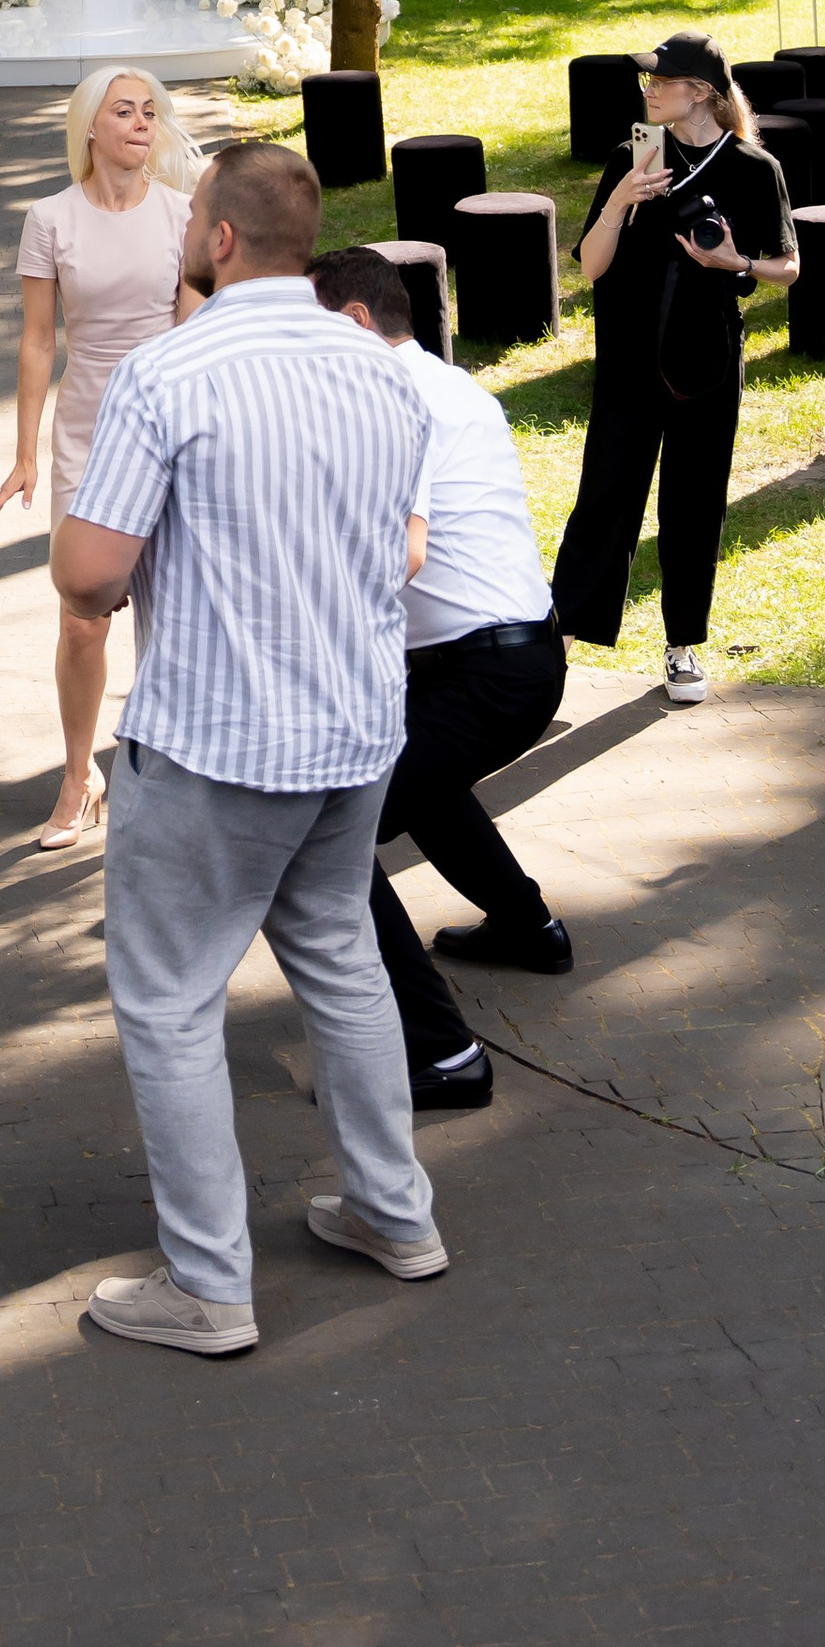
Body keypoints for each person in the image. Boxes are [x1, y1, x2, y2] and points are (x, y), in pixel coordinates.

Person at [52, 140, 448, 1359]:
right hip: (354, 726)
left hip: (216, 738)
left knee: (170, 1004)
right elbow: (399, 544)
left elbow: (88, 571)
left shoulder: (167, 372)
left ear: (218, 240)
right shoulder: (388, 372)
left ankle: (210, 1284)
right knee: (340, 958)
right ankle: (396, 1213)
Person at [311, 249, 569, 1096]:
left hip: (485, 669)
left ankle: (440, 1053)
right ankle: (528, 927)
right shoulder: (451, 383)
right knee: (421, 785)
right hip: (512, 655)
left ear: (353, 324)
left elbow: (398, 558)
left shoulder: (392, 398)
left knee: (331, 836)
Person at [0, 65, 200, 850]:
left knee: (173, 617)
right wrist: (25, 453)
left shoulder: (184, 214)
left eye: (150, 112)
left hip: (169, 431)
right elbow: (39, 340)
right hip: (85, 436)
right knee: (84, 623)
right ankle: (80, 776)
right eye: (125, 111)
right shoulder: (50, 218)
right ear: (90, 128)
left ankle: (172, 779)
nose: (142, 123)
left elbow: (192, 339)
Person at [553, 29, 797, 703]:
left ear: (702, 93)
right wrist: (621, 200)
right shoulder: (630, 160)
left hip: (707, 362)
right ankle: (563, 639)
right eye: (648, 82)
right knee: (605, 496)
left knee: (694, 502)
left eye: (662, 81)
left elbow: (788, 266)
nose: (648, 90)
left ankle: (683, 645)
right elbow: (592, 265)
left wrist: (734, 264)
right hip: (630, 360)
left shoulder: (753, 169)